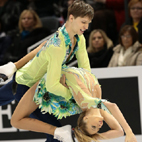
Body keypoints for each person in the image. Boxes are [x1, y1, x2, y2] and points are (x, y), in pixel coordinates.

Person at [0, 0, 94, 141]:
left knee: (57, 134)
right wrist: (75, 95)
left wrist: (90, 88)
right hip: (26, 87)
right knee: (57, 134)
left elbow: (85, 69)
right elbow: (52, 85)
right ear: (72, 18)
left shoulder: (79, 38)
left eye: (88, 22)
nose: (86, 27)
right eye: (83, 22)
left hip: (31, 82)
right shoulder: (58, 45)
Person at [10, 66, 137, 142]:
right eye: (97, 129)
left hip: (34, 87)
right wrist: (92, 139)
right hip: (34, 80)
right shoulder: (98, 108)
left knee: (15, 121)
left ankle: (58, 131)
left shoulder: (86, 101)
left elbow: (113, 107)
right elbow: (119, 131)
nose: (99, 126)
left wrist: (129, 132)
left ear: (86, 118)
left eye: (94, 127)